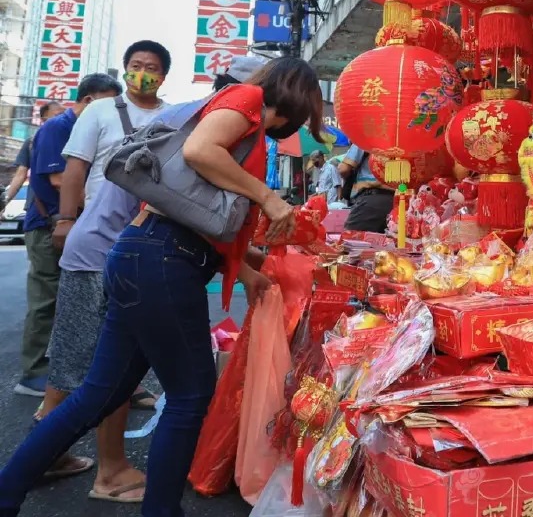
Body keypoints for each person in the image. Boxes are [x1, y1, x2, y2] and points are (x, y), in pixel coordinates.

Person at [0, 57, 322, 517]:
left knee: (99, 395)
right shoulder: (247, 98)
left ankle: (7, 491)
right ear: (297, 99)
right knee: (190, 395)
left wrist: (246, 269)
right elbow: (199, 151)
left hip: (146, 253)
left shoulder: (242, 118)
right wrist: (268, 197)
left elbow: (203, 215)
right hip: (163, 257)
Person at [39, 42, 173, 505]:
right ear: (125, 69)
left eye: (151, 68)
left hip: (136, 245)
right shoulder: (98, 112)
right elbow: (74, 170)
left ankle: (48, 454)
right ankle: (106, 470)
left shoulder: (172, 116)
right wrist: (65, 219)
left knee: (98, 360)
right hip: (97, 242)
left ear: (163, 76)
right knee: (92, 359)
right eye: (136, 66)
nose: (143, 74)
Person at [17, 74, 123, 402]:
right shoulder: (57, 127)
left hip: (80, 227)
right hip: (49, 226)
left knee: (83, 304)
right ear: (89, 100)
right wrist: (97, 204)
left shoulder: (89, 128)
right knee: (46, 300)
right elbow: (61, 179)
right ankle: (34, 373)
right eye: (109, 103)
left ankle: (77, 374)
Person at [4, 103, 65, 207]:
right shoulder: (31, 143)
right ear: (43, 119)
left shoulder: (69, 142)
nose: (62, 119)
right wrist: (5, 201)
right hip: (36, 207)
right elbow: (20, 175)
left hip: (64, 206)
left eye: (64, 116)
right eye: (58, 115)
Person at [339, 144, 393, 231]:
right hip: (399, 203)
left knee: (352, 237)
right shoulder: (402, 140)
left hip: (370, 202)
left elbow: (343, 169)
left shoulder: (366, 139)